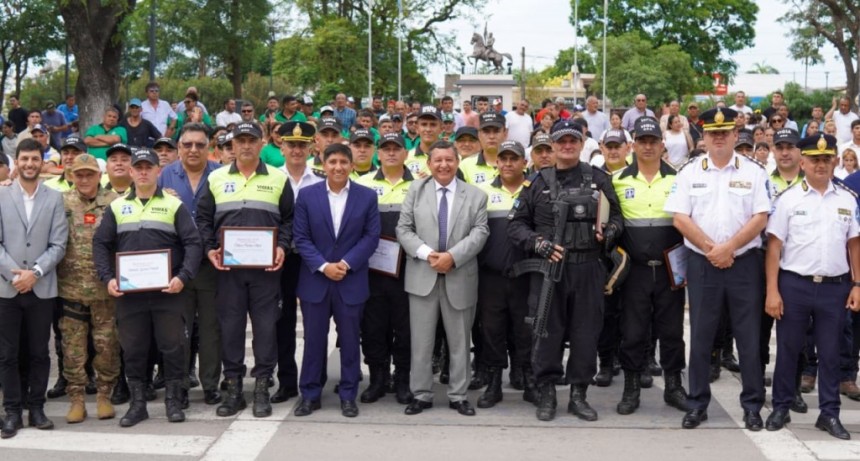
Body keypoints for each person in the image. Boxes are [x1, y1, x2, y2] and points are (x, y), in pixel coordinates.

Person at [507, 120, 623, 422]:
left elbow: (618, 220)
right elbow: (516, 225)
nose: (567, 146)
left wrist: (607, 233)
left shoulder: (599, 178)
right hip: (549, 270)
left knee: (586, 333)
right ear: (552, 145)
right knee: (547, 331)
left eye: (573, 140)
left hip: (588, 268)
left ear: (582, 142)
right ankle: (546, 392)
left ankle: (578, 394)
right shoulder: (537, 182)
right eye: (561, 142)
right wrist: (538, 243)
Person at [664, 107, 769, 430]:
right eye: (713, 132)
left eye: (725, 132)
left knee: (748, 337)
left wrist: (729, 248)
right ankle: (697, 403)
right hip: (703, 264)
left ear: (736, 135)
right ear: (704, 137)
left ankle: (752, 406)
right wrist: (713, 250)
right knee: (701, 335)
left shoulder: (754, 172)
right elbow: (680, 218)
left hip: (744, 264)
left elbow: (761, 217)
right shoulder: (689, 172)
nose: (719, 137)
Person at [93, 147, 201, 427]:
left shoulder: (174, 205)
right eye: (137, 167)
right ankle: (138, 405)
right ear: (130, 171)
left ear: (157, 171)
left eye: (148, 167)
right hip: (130, 295)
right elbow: (101, 245)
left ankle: (174, 402)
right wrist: (108, 279)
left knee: (173, 347)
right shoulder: (117, 207)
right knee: (134, 349)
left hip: (169, 292)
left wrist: (183, 276)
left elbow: (193, 243)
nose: (142, 171)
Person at [764, 133, 860, 440]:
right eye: (814, 160)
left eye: (825, 159)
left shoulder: (847, 199)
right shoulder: (788, 199)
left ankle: (829, 414)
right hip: (794, 285)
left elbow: (855, 246)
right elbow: (774, 248)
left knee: (831, 353)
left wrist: (857, 284)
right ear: (802, 162)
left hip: (835, 287)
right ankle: (781, 407)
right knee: (790, 350)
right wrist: (772, 290)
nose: (820, 165)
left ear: (834, 162)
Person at [196, 122, 292, 419]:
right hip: (228, 270)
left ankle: (262, 387)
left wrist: (282, 248)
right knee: (231, 329)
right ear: (232, 145)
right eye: (241, 141)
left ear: (262, 143)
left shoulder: (278, 178)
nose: (246, 145)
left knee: (265, 329)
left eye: (252, 140)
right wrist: (209, 248)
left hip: (266, 271)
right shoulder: (215, 178)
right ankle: (234, 388)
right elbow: (202, 219)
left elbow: (289, 220)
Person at [396, 140, 489, 417]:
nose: (443, 165)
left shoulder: (476, 195)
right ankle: (422, 394)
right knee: (421, 342)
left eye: (449, 159)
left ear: (457, 162)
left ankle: (459, 395)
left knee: (460, 341)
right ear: (429, 163)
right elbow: (404, 229)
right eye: (438, 160)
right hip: (423, 275)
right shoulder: (415, 190)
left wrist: (452, 256)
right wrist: (428, 255)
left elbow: (480, 232)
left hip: (459, 275)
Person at [292, 143, 380, 418]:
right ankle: (309, 394)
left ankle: (348, 394)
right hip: (315, 281)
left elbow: (371, 236)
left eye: (344, 162)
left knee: (351, 341)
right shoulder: (307, 196)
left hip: (350, 279)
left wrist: (344, 264)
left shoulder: (367, 196)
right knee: (314, 341)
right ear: (323, 164)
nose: (338, 167)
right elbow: (301, 237)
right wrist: (322, 266)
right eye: (333, 162)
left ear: (352, 165)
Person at [612, 117, 688, 415]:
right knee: (632, 331)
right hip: (635, 271)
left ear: (662, 144)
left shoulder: (679, 178)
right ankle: (631, 387)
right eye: (641, 140)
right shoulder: (617, 180)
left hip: (671, 269)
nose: (647, 146)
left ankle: (673, 386)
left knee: (671, 332)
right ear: (633, 144)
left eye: (652, 141)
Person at [0, 139, 68, 439]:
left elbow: (58, 244)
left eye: (35, 159)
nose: (29, 164)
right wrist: (15, 275)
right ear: (17, 162)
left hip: (42, 288)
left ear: (43, 163)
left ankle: (37, 408)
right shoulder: (1, 195)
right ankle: (12, 411)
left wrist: (35, 272)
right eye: (24, 159)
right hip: (7, 288)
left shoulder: (54, 199)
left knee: (40, 352)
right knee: (7, 354)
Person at [157, 123, 224, 407]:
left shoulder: (221, 175)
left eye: (200, 145)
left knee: (211, 328)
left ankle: (210, 384)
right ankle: (179, 384)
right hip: (178, 265)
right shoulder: (164, 175)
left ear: (209, 148)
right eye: (187, 145)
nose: (193, 150)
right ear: (179, 148)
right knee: (178, 329)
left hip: (212, 264)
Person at [57, 154, 120, 424]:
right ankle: (77, 399)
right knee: (73, 348)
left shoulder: (114, 203)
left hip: (105, 290)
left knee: (106, 346)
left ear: (99, 176)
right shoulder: (61, 202)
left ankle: (105, 395)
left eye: (89, 174)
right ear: (71, 176)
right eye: (78, 174)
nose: (84, 179)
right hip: (70, 289)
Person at [354, 133, 415, 405]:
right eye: (386, 148)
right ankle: (377, 379)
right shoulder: (361, 183)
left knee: (405, 329)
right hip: (371, 271)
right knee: (373, 328)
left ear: (405, 154)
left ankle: (402, 379)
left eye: (396, 149)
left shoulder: (420, 185)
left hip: (409, 271)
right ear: (378, 153)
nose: (391, 153)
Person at [474, 140, 535, 407]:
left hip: (527, 276)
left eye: (514, 158)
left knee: (526, 331)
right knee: (492, 331)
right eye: (504, 158)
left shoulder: (535, 190)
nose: (508, 163)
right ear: (496, 162)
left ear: (525, 162)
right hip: (491, 276)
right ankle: (495, 383)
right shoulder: (481, 192)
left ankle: (529, 381)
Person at [271, 121, 323, 405]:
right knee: (284, 321)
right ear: (282, 146)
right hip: (282, 258)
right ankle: (287, 381)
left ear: (312, 147)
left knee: (316, 322)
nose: (297, 150)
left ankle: (317, 378)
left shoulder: (321, 179)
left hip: (312, 259)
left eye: (302, 145)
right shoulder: (271, 178)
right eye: (292, 144)